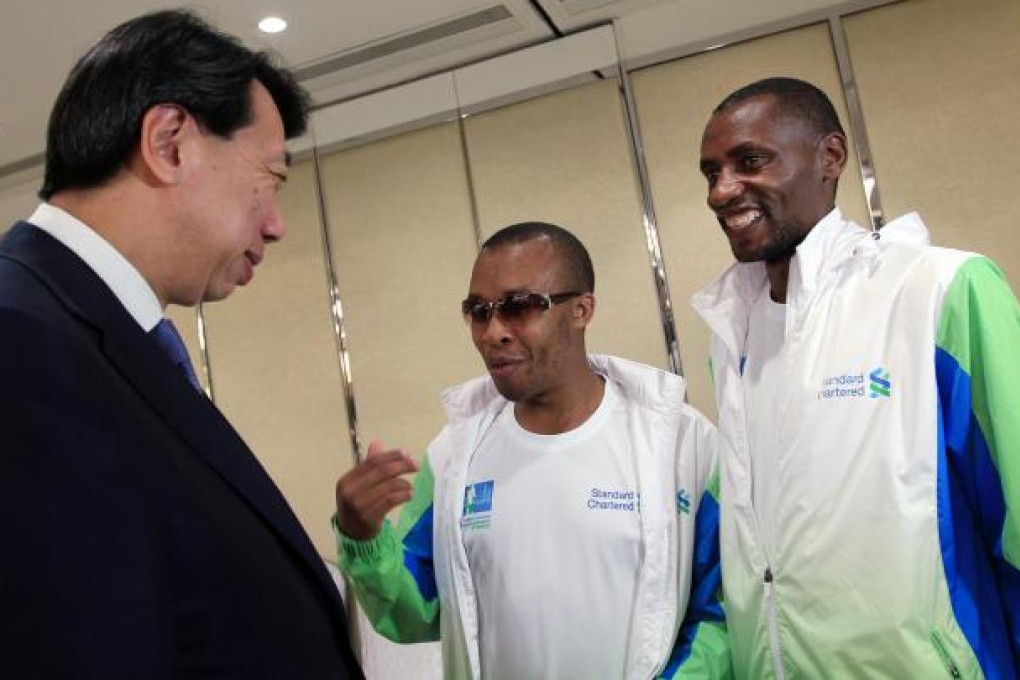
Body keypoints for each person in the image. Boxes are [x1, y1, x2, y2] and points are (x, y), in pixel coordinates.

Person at [0, 10, 363, 678]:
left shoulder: (105, 337)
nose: (277, 224)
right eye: (272, 178)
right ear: (170, 143)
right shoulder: (20, 341)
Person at [692, 76, 1020, 678]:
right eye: (711, 171)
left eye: (750, 161)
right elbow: (745, 559)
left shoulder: (939, 289)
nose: (721, 190)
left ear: (831, 157)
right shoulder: (733, 336)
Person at [334, 222, 731, 679]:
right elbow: (414, 615)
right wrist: (363, 538)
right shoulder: (453, 458)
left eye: (519, 307)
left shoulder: (680, 443)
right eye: (478, 312)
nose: (493, 332)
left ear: (582, 309)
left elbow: (718, 613)